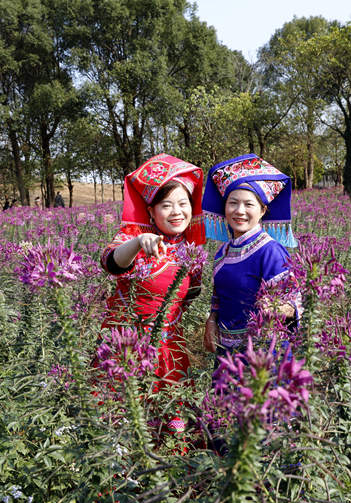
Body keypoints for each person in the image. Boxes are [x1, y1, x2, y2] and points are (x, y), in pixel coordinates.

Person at [100, 153, 206, 432]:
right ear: (151, 211)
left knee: (173, 423)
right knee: (125, 420)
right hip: (126, 345)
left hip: (170, 348)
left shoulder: (191, 249)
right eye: (166, 205)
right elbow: (111, 262)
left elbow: (192, 294)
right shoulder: (135, 239)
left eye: (183, 204)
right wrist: (138, 242)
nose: (177, 212)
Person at [201, 154, 301, 354]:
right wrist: (211, 320)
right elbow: (218, 298)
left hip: (264, 355)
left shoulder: (271, 252)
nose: (239, 211)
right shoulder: (223, 252)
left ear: (263, 210)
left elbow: (295, 304)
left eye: (249, 204)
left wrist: (277, 307)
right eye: (233, 203)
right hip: (227, 355)